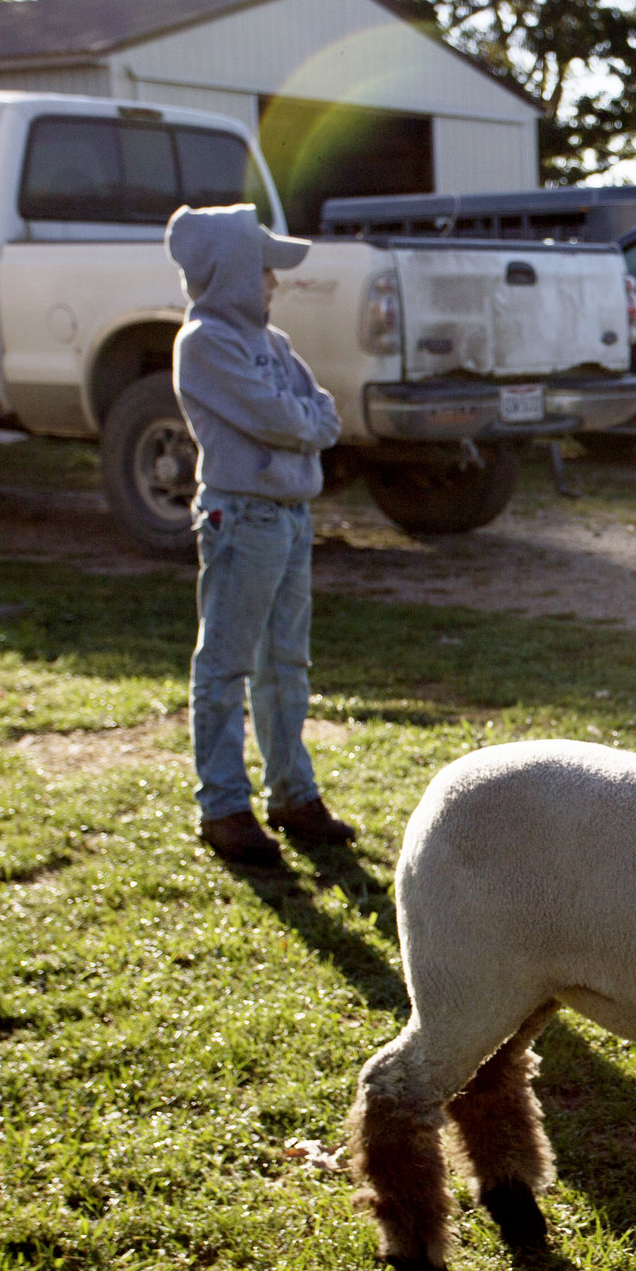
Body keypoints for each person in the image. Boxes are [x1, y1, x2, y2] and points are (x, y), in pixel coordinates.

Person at [168, 203, 360, 868]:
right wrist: (301, 424)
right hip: (241, 517)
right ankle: (222, 804)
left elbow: (322, 410)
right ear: (231, 273)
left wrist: (300, 423)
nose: (275, 284)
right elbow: (278, 415)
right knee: (225, 662)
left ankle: (292, 791)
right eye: (264, 271)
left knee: (286, 660)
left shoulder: (272, 344)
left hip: (288, 513)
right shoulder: (205, 341)